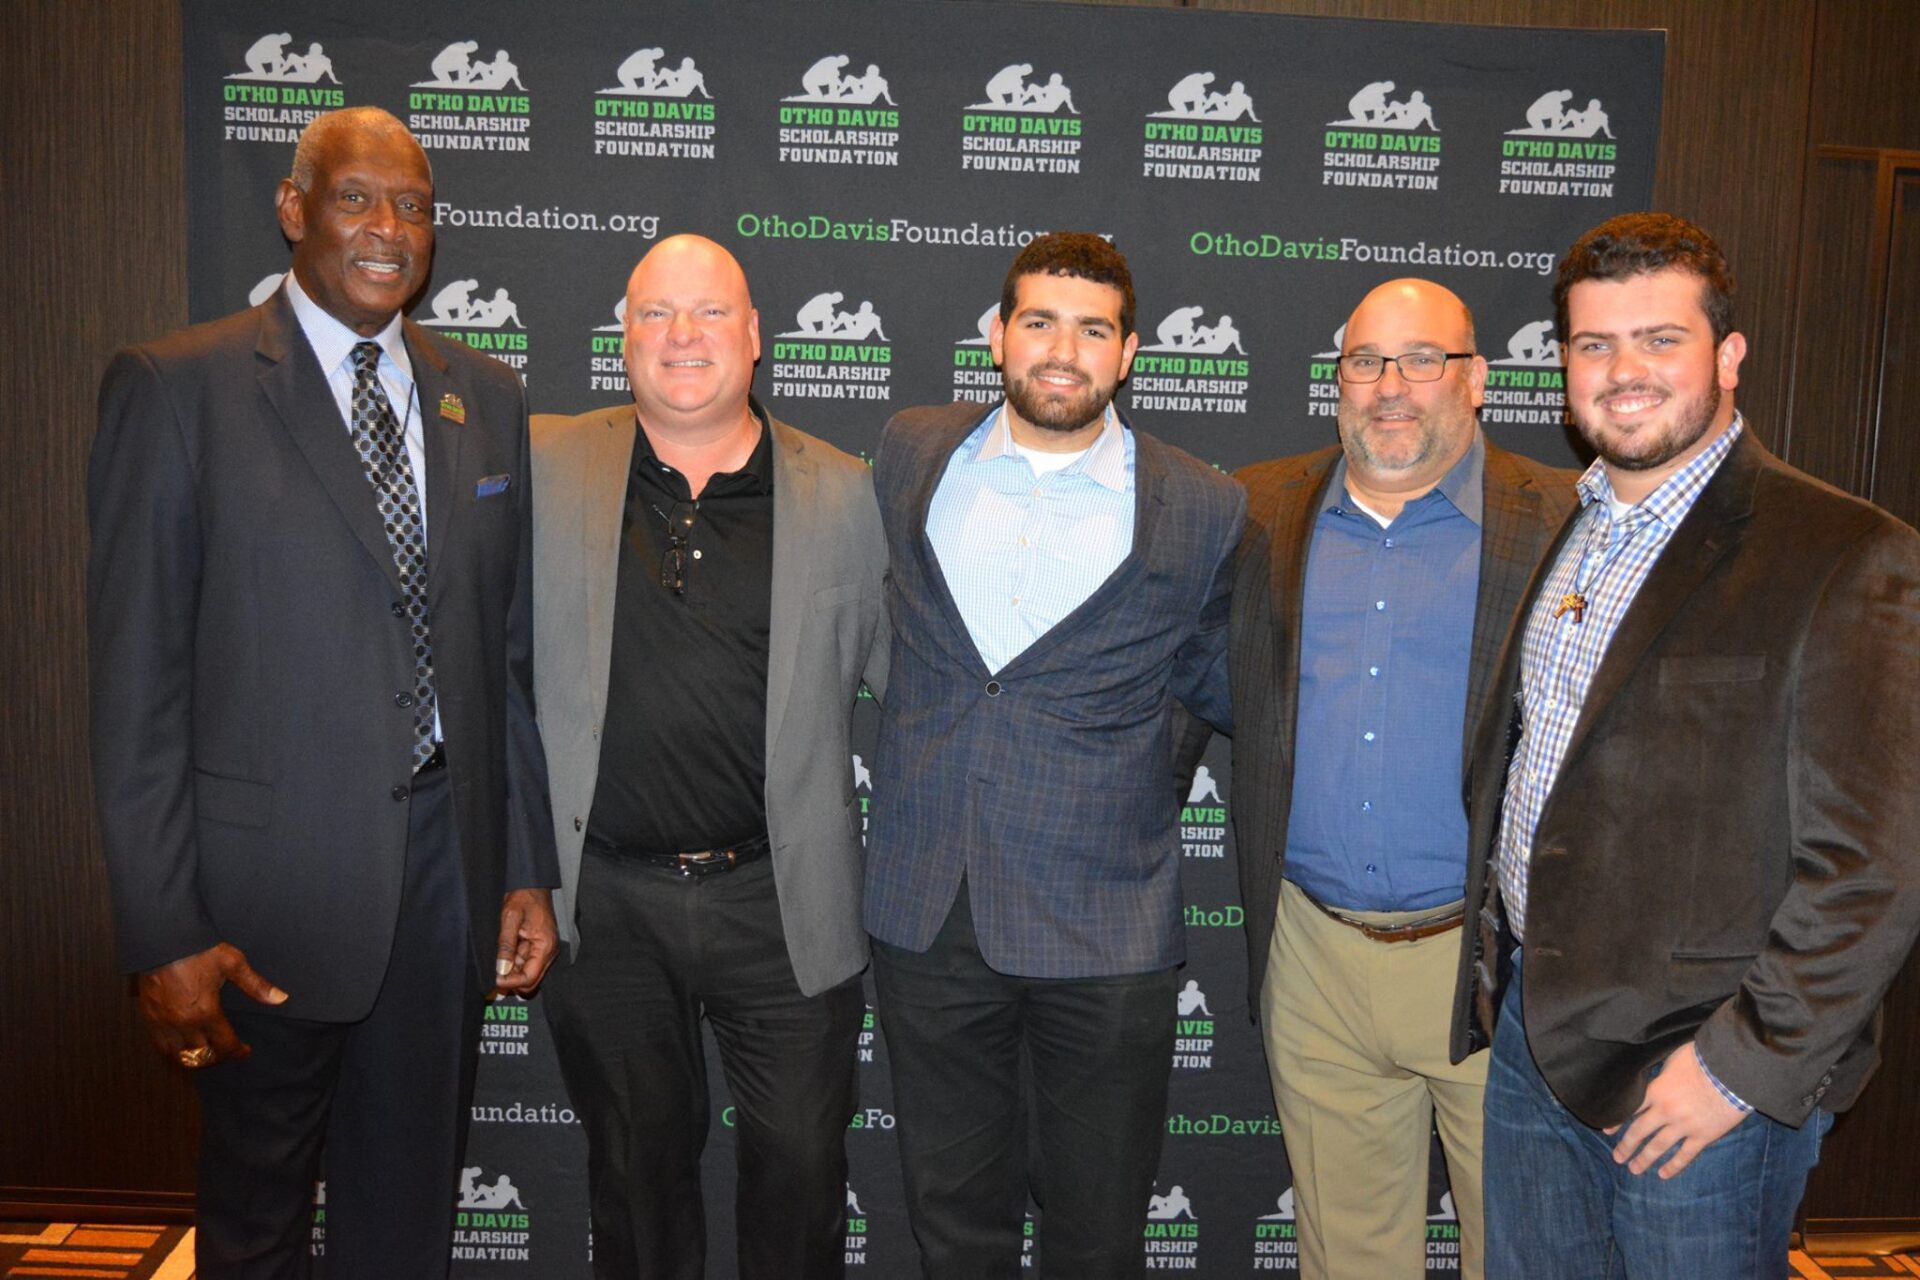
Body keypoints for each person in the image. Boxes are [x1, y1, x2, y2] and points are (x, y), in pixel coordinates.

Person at [87, 105, 558, 1279]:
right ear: (294, 208)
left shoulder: (487, 396)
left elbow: (502, 657)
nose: (389, 228)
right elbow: (137, 685)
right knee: (253, 1227)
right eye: (357, 197)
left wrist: (520, 865)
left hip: (446, 883)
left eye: (414, 206)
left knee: (406, 1227)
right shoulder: (179, 388)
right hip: (262, 903)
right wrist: (164, 928)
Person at [1449, 212, 1920, 1277]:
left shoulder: (1847, 555)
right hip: (1531, 1037)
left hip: (1696, 1076)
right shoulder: (1572, 526)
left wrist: (1739, 1068)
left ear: (1729, 355)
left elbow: (1875, 867)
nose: (1624, 373)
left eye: (1660, 339)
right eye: (1595, 344)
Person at [865, 232, 1244, 1277]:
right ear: (998, 336)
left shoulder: (1202, 504)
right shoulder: (910, 450)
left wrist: (1121, 796)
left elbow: (1208, 684)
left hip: (1106, 925)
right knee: (953, 1221)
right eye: (1039, 322)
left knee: (1099, 1230)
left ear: (1129, 352)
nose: (1064, 350)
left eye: (1093, 329)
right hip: (928, 904)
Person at [1191, 278, 1574, 1280]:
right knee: (1348, 1258)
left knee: (1525, 1253)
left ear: (1478, 379)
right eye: (1365, 361)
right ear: (1338, 381)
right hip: (1315, 956)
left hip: (1498, 965)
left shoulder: (1565, 517)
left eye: (1422, 359)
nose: (1390, 385)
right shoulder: (1259, 508)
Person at [532, 234, 887, 1280]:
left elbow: (914, 692)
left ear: (756, 336)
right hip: (605, 903)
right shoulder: (544, 464)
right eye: (656, 313)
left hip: (781, 902)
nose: (682, 335)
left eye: (710, 312)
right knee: (634, 1185)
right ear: (624, 337)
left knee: (803, 1178)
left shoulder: (846, 492)